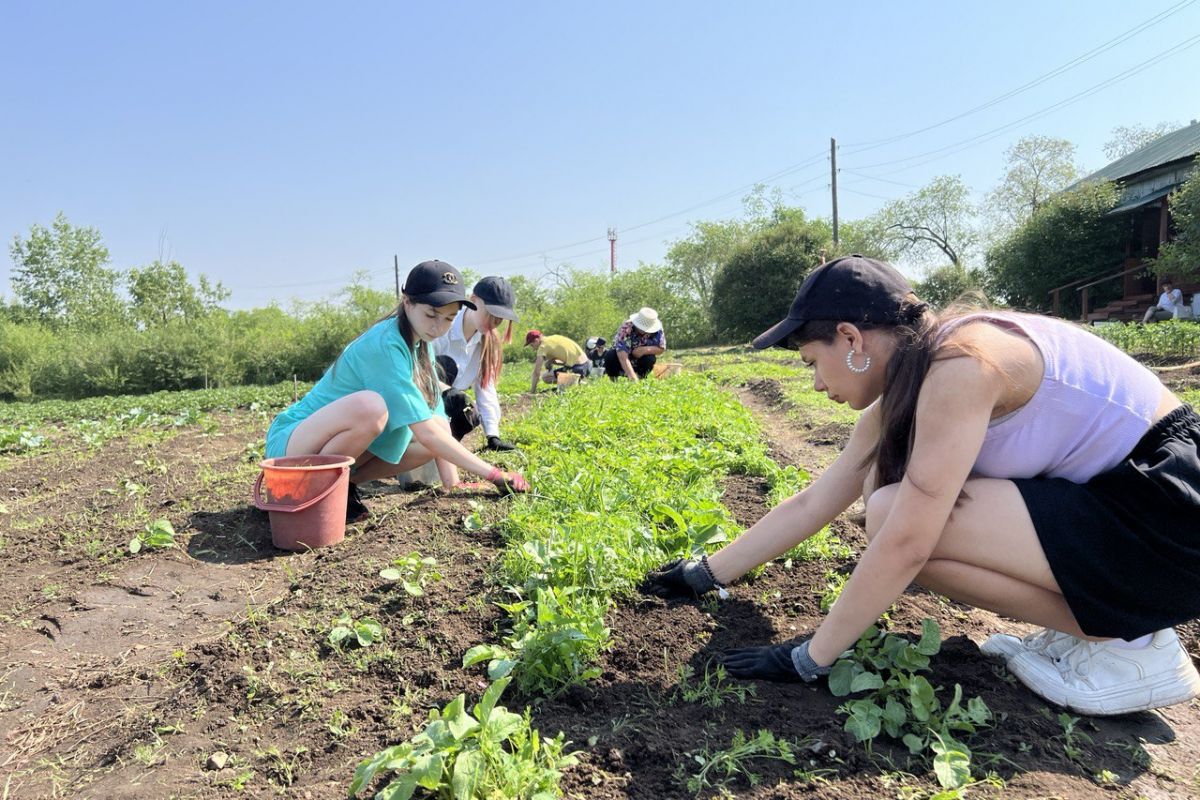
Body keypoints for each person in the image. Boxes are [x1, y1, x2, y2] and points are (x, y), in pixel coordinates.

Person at [641, 254, 1200, 717]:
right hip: (1126, 510)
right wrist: (706, 574)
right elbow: (819, 498)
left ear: (851, 338)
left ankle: (1136, 647)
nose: (813, 383)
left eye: (814, 361)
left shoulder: (961, 365)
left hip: (1170, 511)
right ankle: (1104, 631)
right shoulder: (921, 371)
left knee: (897, 519)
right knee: (887, 509)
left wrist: (812, 657)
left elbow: (908, 540)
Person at [265, 261, 528, 522]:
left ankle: (342, 485)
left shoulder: (421, 346)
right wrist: (493, 474)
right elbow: (424, 431)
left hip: (321, 451)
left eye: (449, 318)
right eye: (431, 315)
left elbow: (437, 423)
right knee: (372, 409)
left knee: (434, 428)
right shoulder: (386, 344)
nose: (438, 327)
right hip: (291, 446)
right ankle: (318, 493)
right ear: (408, 302)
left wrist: (454, 484)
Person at [433, 276, 519, 451]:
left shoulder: (486, 343)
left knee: (469, 415)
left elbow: (486, 388)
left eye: (500, 318)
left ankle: (442, 451)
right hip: (422, 404)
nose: (495, 323)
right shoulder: (443, 329)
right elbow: (417, 372)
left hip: (448, 412)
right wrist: (447, 391)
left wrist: (492, 435)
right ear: (473, 301)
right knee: (445, 367)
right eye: (491, 314)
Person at [603, 307, 666, 380]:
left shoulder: (658, 329)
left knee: (650, 359)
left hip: (640, 360)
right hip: (622, 360)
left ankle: (641, 378)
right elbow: (622, 354)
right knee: (610, 355)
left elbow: (661, 348)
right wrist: (631, 376)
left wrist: (644, 350)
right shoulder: (627, 326)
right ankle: (614, 380)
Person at [524, 329, 590, 391]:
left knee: (546, 377)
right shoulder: (553, 337)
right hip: (586, 365)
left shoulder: (542, 347)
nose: (533, 349)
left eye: (532, 345)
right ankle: (577, 382)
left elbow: (536, 372)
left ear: (536, 340)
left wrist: (532, 390)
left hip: (577, 368)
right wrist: (551, 361)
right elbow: (567, 359)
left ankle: (578, 383)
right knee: (553, 375)